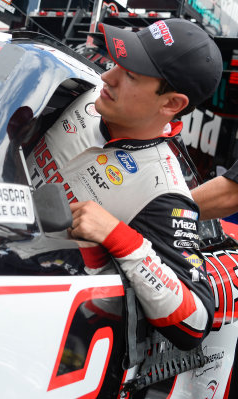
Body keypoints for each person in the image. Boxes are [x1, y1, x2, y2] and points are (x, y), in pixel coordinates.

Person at [26, 18, 222, 350]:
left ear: (171, 104)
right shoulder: (72, 88)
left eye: (130, 75)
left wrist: (120, 239)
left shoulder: (162, 192)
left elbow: (194, 322)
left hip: (23, 305)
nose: (107, 77)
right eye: (119, 62)